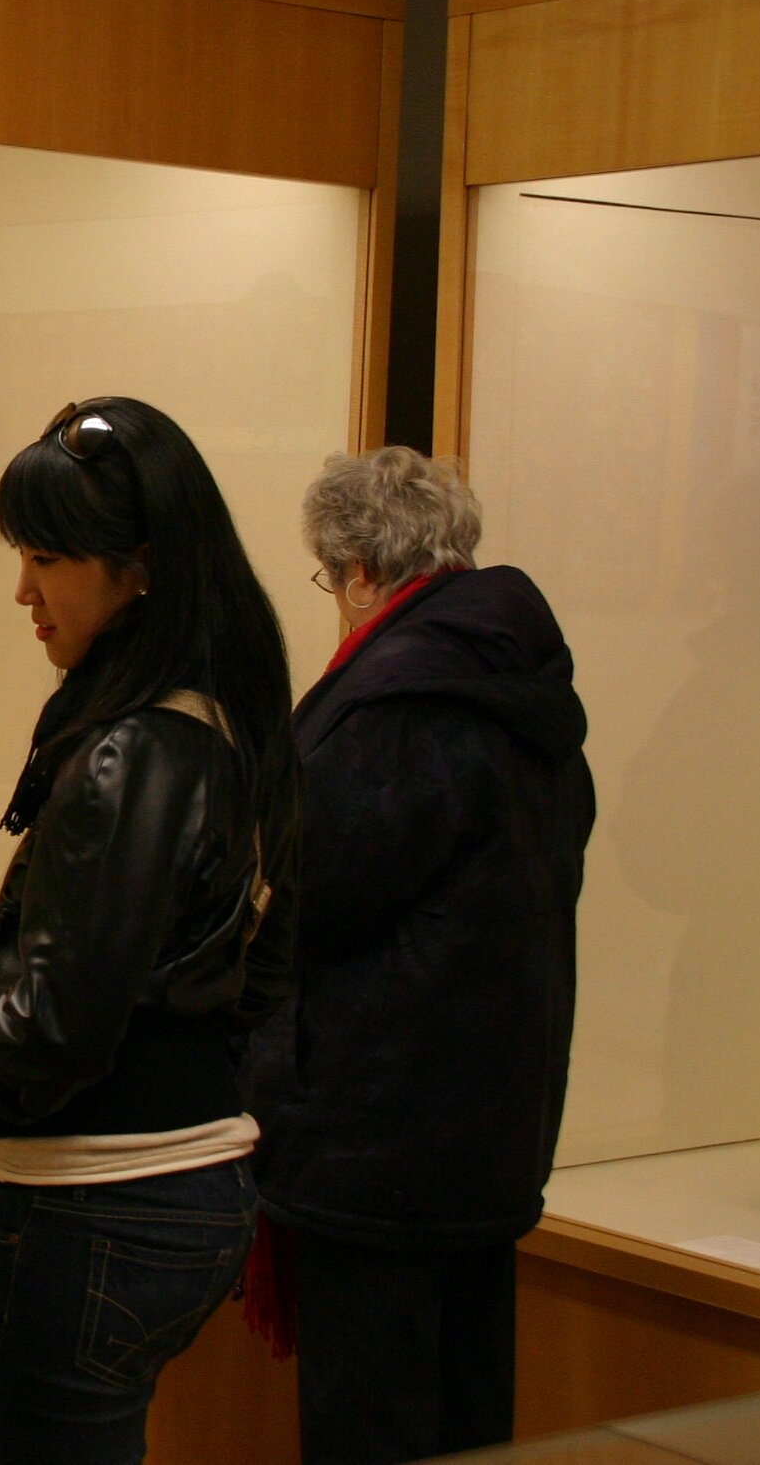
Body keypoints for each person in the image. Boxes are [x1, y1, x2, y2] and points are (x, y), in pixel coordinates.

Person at [0, 397, 300, 1465]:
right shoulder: (224, 719)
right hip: (196, 1182)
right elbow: (262, 970)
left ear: (138, 566)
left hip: (91, 1203)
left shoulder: (132, 750)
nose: (23, 591)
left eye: (47, 559)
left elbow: (58, 1028)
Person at [243, 447, 593, 1465]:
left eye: (328, 577)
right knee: (470, 1417)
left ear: (360, 569)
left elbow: (308, 900)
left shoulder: (391, 702)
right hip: (490, 1130)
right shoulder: (520, 685)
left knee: (370, 1422)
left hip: (375, 1142)